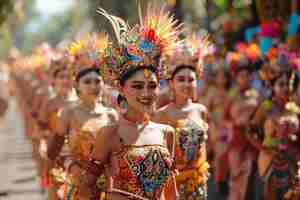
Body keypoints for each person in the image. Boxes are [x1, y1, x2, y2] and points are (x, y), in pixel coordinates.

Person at [92, 4, 182, 200]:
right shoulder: (109, 134)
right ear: (121, 89)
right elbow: (87, 190)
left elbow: (170, 191)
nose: (146, 92)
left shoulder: (167, 133)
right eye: (137, 86)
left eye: (152, 86)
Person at [53, 33, 118, 200]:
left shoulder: (111, 115)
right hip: (77, 187)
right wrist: (72, 167)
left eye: (97, 81)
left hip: (106, 188)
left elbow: (117, 155)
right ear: (77, 86)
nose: (93, 86)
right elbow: (54, 151)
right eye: (87, 82)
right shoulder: (68, 113)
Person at [153, 34, 211, 200]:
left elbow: (204, 149)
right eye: (181, 79)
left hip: (198, 183)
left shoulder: (201, 110)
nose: (186, 84)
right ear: (171, 83)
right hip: (173, 185)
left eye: (190, 79)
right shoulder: (161, 115)